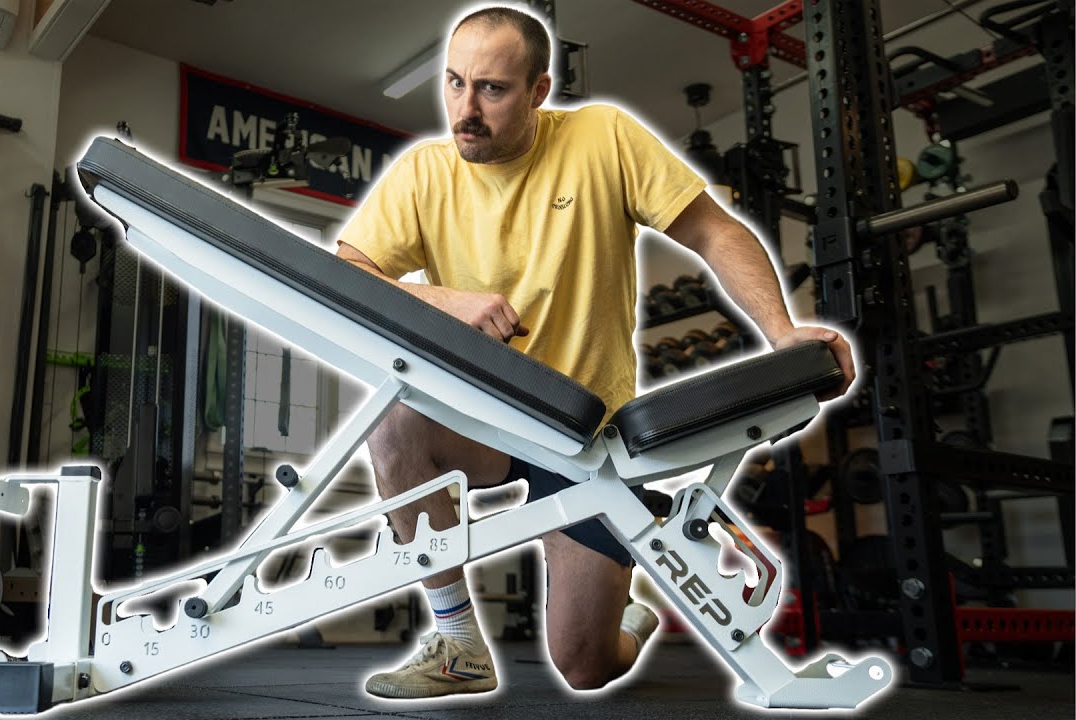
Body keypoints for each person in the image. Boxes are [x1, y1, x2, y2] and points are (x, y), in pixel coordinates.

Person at [334, 4, 855, 699]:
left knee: (585, 667)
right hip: (486, 413)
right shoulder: (422, 173)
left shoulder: (602, 137)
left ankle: (630, 620)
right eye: (455, 82)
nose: (466, 108)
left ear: (539, 91)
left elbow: (714, 234)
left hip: (591, 434)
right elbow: (351, 274)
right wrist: (448, 301)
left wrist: (782, 331)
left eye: (492, 89)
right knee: (395, 420)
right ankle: (457, 643)